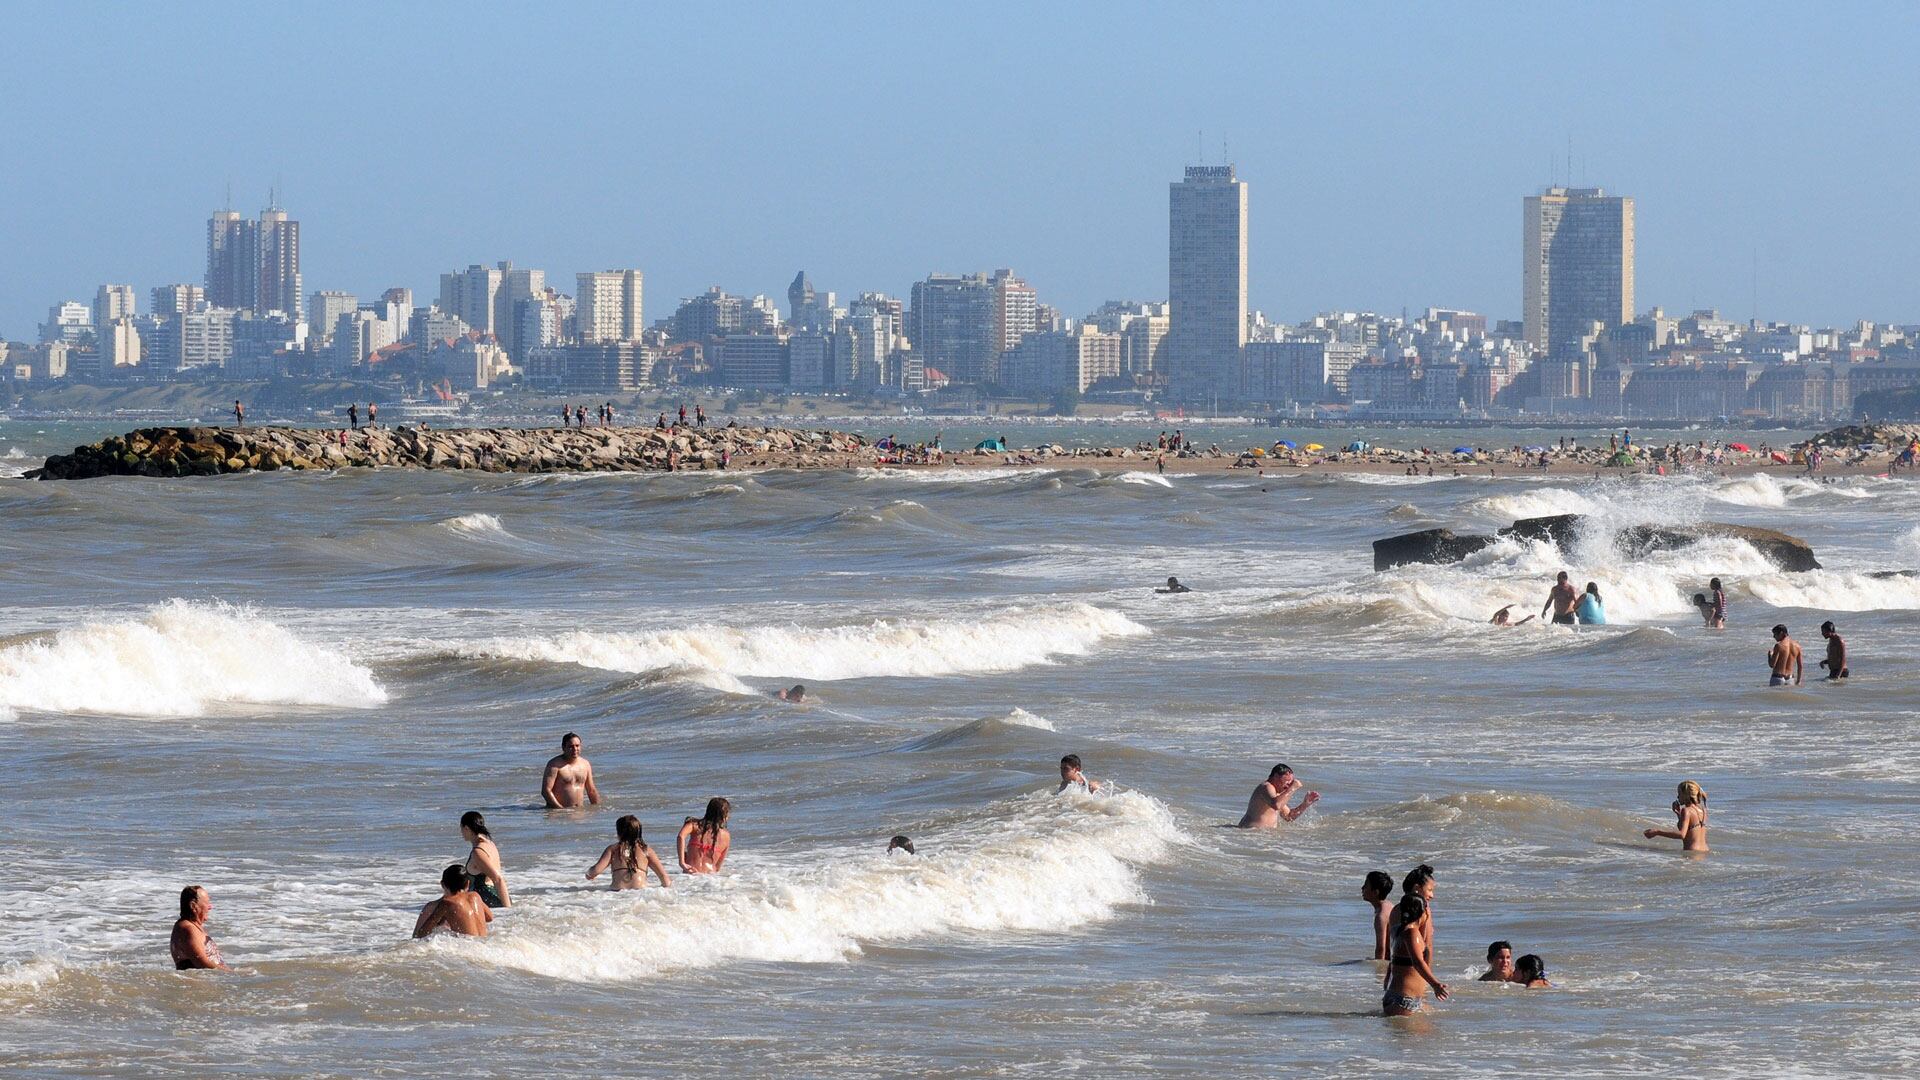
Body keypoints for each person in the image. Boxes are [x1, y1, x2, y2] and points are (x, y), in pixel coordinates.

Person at [1382, 896, 1448, 1016]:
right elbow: (1417, 962)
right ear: (1423, 913)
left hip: (1396, 997)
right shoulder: (1412, 933)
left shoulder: (1398, 930)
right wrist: (1435, 984)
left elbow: (1393, 962)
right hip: (1405, 1001)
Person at [587, 815, 671, 890]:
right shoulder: (646, 850)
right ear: (639, 832)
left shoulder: (613, 849)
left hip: (616, 893)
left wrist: (589, 874)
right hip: (640, 893)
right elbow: (665, 879)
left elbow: (596, 870)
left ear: (619, 833)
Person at [413, 864, 493, 938]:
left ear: (442, 884)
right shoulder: (475, 896)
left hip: (469, 946)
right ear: (468, 883)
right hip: (484, 943)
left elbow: (420, 934)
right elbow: (489, 918)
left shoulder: (446, 903)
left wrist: (440, 923)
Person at [1237, 763, 1319, 827]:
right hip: (1250, 833)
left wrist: (1305, 804)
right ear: (1276, 776)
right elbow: (1276, 805)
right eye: (1287, 781)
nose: (1288, 785)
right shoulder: (1266, 786)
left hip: (1261, 836)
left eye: (1291, 783)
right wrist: (1293, 788)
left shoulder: (1277, 794)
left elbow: (1289, 817)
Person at [170, 886, 230, 970]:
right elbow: (202, 964)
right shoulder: (188, 929)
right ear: (193, 906)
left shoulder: (193, 927)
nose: (210, 907)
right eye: (207, 903)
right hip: (195, 978)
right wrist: (233, 973)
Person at [460, 810, 510, 907]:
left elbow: (498, 879)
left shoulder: (478, 852)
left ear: (466, 828)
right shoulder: (489, 844)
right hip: (496, 896)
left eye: (461, 828)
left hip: (486, 899)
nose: (461, 833)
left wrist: (507, 909)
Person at [1644, 780, 1709, 852]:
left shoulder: (1686, 810)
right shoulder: (1703, 810)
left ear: (1686, 795)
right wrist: (1678, 813)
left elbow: (1682, 834)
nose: (1678, 797)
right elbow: (1691, 831)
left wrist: (1657, 832)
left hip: (1692, 852)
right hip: (1704, 851)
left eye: (1679, 794)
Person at [541, 732, 601, 809]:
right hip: (558, 812)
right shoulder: (554, 765)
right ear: (563, 748)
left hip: (579, 811)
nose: (575, 749)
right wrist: (560, 809)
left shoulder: (585, 764)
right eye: (571, 746)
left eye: (577, 746)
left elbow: (591, 790)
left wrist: (599, 809)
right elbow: (546, 791)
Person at [677, 797, 732, 874]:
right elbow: (717, 867)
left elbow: (681, 836)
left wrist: (682, 862)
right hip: (711, 877)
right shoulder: (726, 836)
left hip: (691, 875)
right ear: (724, 815)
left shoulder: (694, 826)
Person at [1362, 870, 1394, 961]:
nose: (1362, 888)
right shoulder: (1389, 905)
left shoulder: (1381, 916)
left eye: (1366, 886)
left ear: (1375, 892)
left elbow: (1381, 948)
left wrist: (1379, 968)